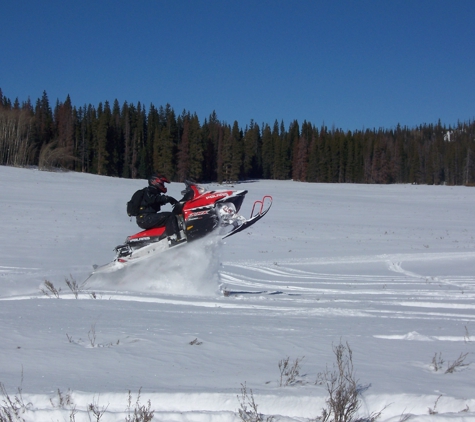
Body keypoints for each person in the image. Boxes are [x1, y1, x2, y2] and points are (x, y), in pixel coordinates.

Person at [136, 173, 185, 245]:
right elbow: (152, 199)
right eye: (162, 183)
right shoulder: (148, 191)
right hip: (145, 218)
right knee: (169, 216)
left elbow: (155, 201)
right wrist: (167, 198)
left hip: (146, 218)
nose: (163, 185)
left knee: (173, 215)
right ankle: (173, 238)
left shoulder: (153, 192)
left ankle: (173, 235)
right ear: (154, 182)